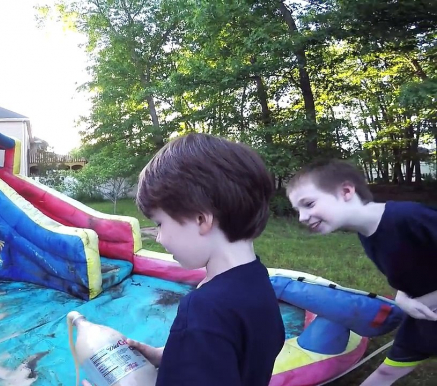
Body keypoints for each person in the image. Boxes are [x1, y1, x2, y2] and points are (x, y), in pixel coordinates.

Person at [86, 133, 285, 385]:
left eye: (159, 223)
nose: (158, 237)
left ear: (201, 219)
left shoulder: (204, 310)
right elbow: (233, 356)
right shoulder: (257, 281)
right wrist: (171, 357)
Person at [286, 158, 437, 385]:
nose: (302, 217)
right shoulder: (367, 234)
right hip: (424, 317)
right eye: (298, 210)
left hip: (427, 310)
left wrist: (428, 299)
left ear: (346, 191)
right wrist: (402, 297)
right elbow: (409, 273)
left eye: (308, 204)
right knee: (386, 373)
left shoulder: (408, 217)